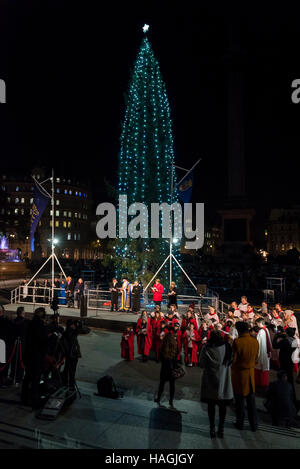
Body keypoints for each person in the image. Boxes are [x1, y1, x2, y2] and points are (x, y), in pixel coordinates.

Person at [199, 330, 233, 438]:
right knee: (222, 407)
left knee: (211, 406)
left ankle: (212, 428)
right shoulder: (227, 347)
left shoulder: (207, 347)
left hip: (210, 380)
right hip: (223, 380)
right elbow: (231, 360)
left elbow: (201, 363)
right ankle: (221, 428)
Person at [231, 321, 259, 432]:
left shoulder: (237, 342)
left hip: (239, 375)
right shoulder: (254, 341)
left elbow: (234, 360)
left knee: (240, 402)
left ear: (239, 330)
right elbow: (256, 358)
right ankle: (254, 424)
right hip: (251, 375)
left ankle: (240, 422)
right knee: (251, 402)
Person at [21, 307, 49, 409]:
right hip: (37, 356)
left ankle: (24, 398)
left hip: (28, 355)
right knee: (35, 379)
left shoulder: (30, 324)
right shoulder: (41, 326)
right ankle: (34, 400)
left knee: (27, 377)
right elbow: (43, 341)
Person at [272, 327, 298, 405]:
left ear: (287, 333)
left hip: (284, 362)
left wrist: (276, 337)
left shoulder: (285, 341)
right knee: (290, 378)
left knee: (283, 378)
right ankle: (292, 396)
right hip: (291, 361)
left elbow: (275, 346)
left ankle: (283, 396)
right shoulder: (294, 340)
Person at [154, 332, 178, 408]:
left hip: (164, 367)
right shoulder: (175, 345)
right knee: (172, 385)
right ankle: (171, 400)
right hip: (172, 368)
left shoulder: (163, 346)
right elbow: (177, 356)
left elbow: (160, 358)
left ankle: (158, 398)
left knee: (162, 384)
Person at [61, 319, 82, 391]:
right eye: (73, 324)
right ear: (71, 325)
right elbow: (84, 330)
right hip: (73, 354)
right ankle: (71, 384)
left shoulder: (65, 332)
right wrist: (79, 324)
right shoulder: (72, 332)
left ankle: (65, 382)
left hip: (68, 354)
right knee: (72, 370)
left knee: (67, 368)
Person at [254, 318, 272, 390]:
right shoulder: (266, 329)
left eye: (257, 323)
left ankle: (260, 385)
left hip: (262, 353)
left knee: (260, 369)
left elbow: (258, 343)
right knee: (265, 369)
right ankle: (264, 384)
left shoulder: (261, 331)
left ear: (259, 323)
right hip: (266, 353)